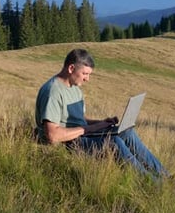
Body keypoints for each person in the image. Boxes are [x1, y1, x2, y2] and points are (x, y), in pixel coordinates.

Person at [35, 48, 168, 178]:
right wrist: (87, 129)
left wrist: (102, 123)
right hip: (69, 143)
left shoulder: (75, 88)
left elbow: (79, 119)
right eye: (85, 74)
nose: (87, 79)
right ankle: (152, 182)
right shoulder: (53, 92)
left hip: (84, 134)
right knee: (113, 142)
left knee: (126, 132)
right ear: (71, 69)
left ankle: (164, 175)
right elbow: (53, 135)